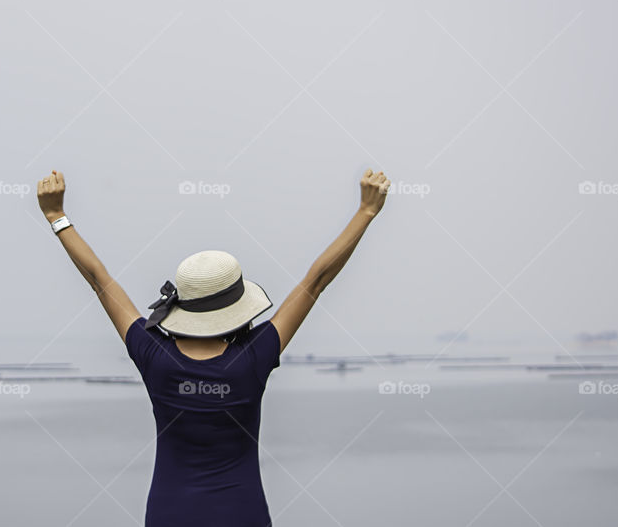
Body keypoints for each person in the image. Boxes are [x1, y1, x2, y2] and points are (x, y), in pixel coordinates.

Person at [36, 168, 390, 526]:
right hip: (242, 514)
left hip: (168, 514)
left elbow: (100, 280)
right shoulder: (253, 357)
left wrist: (56, 216)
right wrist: (366, 212)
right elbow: (316, 281)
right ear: (238, 309)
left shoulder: (154, 355)